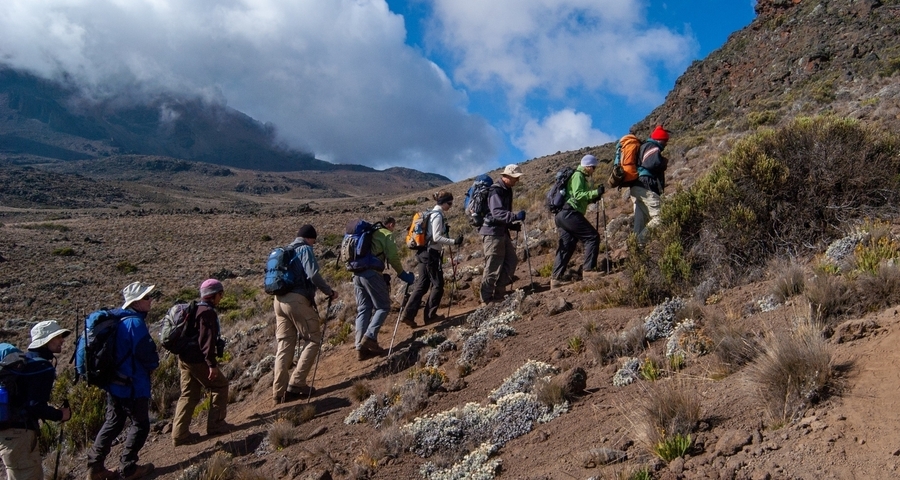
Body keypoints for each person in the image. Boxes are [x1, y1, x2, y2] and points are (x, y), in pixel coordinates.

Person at [86, 282, 159, 480]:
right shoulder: (134, 323)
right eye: (146, 298)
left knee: (113, 422)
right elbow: (146, 353)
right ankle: (128, 468)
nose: (150, 300)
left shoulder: (117, 320)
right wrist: (153, 364)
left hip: (114, 383)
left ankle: (95, 467)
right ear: (135, 302)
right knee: (141, 424)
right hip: (132, 385)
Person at [273, 224, 337, 404]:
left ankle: (278, 392)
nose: (314, 244)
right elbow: (313, 275)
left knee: (284, 345)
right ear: (310, 238)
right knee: (314, 338)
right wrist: (329, 291)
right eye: (314, 241)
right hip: (296, 300)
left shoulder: (286, 250)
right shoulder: (304, 249)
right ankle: (297, 383)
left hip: (278, 300)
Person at [0, 321, 72, 480]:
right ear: (46, 341)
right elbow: (35, 406)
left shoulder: (25, 362)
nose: (62, 340)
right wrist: (60, 415)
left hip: (9, 436)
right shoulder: (42, 367)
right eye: (58, 336)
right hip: (20, 436)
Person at [171, 279, 232, 446]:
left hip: (184, 358)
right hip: (197, 360)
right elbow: (207, 341)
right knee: (220, 385)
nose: (222, 297)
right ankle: (216, 424)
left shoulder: (195, 309)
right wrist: (211, 365)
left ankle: (180, 434)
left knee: (188, 394)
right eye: (221, 294)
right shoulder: (207, 312)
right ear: (214, 295)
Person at [354, 217, 415, 360]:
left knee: (364, 308)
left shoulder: (369, 233)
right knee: (383, 306)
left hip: (356, 274)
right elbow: (393, 257)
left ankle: (360, 348)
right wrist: (403, 274)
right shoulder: (386, 234)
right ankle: (369, 337)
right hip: (372, 274)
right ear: (391, 224)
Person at [400, 190, 463, 326]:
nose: (450, 206)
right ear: (444, 202)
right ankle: (430, 316)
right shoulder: (437, 216)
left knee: (422, 285)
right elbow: (436, 238)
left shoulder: (431, 213)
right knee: (438, 284)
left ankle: (408, 315)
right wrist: (454, 241)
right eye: (450, 203)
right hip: (431, 254)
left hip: (423, 253)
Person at [551, 155, 604, 288]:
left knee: (568, 245)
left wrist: (592, 198)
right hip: (570, 213)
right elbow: (578, 194)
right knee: (592, 237)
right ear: (588, 166)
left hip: (562, 215)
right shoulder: (578, 175)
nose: (594, 170)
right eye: (593, 167)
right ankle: (588, 271)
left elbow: (578, 197)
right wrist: (595, 192)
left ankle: (555, 279)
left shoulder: (578, 176)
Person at [479, 164, 525, 304]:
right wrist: (514, 216)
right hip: (492, 233)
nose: (517, 181)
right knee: (493, 266)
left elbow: (500, 214)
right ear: (507, 176)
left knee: (511, 261)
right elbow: (497, 212)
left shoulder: (506, 190)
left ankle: (500, 292)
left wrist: (511, 225)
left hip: (501, 231)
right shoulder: (496, 191)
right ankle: (486, 299)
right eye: (515, 178)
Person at [631, 125, 670, 244]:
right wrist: (664, 161)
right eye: (665, 141)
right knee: (662, 217)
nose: (666, 144)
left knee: (640, 223)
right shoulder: (653, 146)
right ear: (661, 140)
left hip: (636, 187)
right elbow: (652, 163)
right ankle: (639, 241)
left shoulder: (643, 147)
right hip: (646, 186)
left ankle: (636, 249)